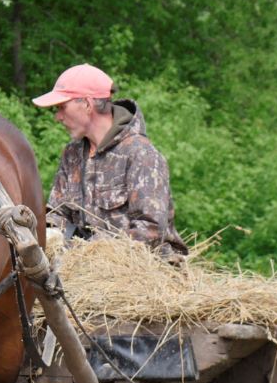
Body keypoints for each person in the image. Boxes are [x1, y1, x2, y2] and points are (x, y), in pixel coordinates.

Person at [32, 63, 187, 258]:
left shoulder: (141, 154)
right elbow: (58, 213)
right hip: (82, 269)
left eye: (62, 107)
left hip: (143, 273)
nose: (58, 117)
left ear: (87, 104)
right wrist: (48, 234)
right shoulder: (72, 155)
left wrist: (90, 251)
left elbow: (151, 231)